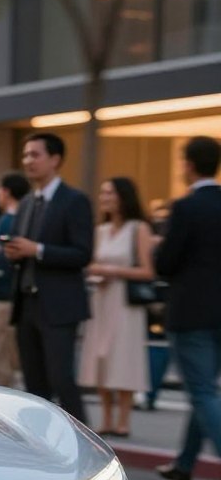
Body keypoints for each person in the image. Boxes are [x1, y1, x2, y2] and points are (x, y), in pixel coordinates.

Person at [4, 132, 93, 423]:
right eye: (26, 155)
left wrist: (37, 249)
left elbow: (82, 253)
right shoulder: (28, 202)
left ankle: (88, 447)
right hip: (26, 304)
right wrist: (16, 252)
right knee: (34, 386)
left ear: (55, 159)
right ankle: (44, 451)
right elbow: (24, 247)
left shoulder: (75, 200)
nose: (28, 160)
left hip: (58, 306)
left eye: (35, 154)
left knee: (62, 380)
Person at [154, 135, 221, 480]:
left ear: (189, 164)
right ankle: (184, 465)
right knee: (205, 388)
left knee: (203, 390)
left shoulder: (186, 208)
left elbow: (165, 263)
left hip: (192, 311)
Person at [77, 178, 155, 437]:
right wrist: (96, 273)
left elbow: (147, 271)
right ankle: (107, 418)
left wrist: (110, 270)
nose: (104, 197)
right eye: (102, 192)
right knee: (101, 357)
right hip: (100, 299)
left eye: (109, 192)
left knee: (124, 357)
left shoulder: (138, 228)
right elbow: (91, 264)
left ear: (123, 196)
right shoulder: (100, 230)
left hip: (125, 303)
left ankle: (124, 420)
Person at [0, 172, 28, 387]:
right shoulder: (20, 218)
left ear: (7, 192)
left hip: (2, 295)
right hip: (11, 295)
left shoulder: (9, 222)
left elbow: (0, 258)